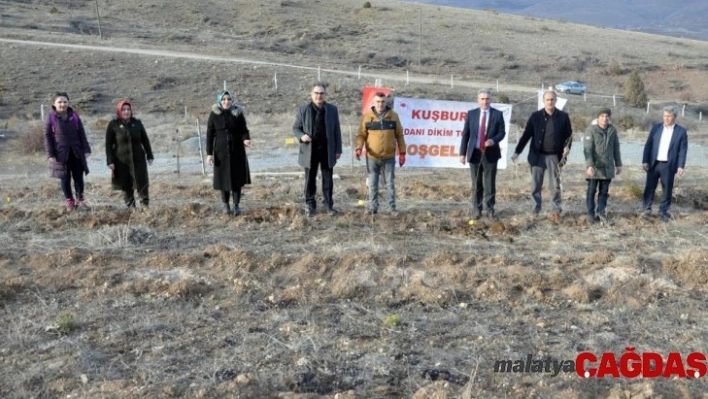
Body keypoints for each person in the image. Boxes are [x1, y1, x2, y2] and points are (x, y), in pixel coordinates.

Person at [511, 90, 573, 224]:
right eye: (547, 100)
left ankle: (556, 211)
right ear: (543, 101)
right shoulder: (535, 116)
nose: (550, 102)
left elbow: (569, 136)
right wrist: (517, 151)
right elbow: (526, 135)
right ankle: (535, 210)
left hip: (554, 157)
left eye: (552, 100)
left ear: (555, 101)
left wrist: (567, 147)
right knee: (536, 186)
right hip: (537, 156)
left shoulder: (563, 116)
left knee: (555, 185)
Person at [293, 82, 343, 217]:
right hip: (310, 151)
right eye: (316, 93)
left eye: (321, 93)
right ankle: (310, 205)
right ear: (311, 94)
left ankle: (328, 205)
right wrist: (301, 136)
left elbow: (336, 130)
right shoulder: (303, 109)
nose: (319, 96)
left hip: (327, 150)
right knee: (310, 180)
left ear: (325, 95)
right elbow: (296, 128)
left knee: (328, 180)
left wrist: (338, 149)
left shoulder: (332, 110)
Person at [355, 92, 406, 215]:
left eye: (382, 101)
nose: (380, 104)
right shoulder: (367, 117)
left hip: (389, 157)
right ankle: (373, 207)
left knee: (390, 183)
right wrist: (358, 148)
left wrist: (402, 152)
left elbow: (399, 135)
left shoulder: (394, 116)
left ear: (386, 102)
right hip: (372, 157)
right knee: (373, 184)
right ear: (374, 102)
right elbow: (361, 134)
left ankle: (392, 208)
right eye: (377, 101)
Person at [459, 89, 506, 220]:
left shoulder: (497, 114)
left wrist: (493, 140)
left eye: (487, 99)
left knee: (490, 183)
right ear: (478, 100)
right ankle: (477, 209)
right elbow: (466, 134)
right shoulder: (471, 114)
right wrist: (462, 153)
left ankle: (490, 210)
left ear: (491, 100)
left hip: (490, 154)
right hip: (474, 153)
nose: (485, 101)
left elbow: (502, 133)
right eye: (482, 99)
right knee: (476, 183)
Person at [206, 90, 252, 216]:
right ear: (220, 101)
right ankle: (226, 205)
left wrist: (246, 139)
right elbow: (210, 135)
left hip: (237, 150)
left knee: (237, 179)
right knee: (223, 179)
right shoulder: (214, 114)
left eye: (229, 99)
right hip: (220, 152)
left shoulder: (237, 113)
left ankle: (236, 206)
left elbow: (244, 130)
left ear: (232, 100)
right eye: (224, 99)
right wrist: (209, 154)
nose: (226, 102)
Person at [43, 92, 91, 212]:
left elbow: (81, 133)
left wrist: (86, 149)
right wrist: (50, 154)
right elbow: (47, 136)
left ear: (68, 103)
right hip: (61, 153)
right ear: (54, 104)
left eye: (65, 102)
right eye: (59, 102)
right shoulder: (51, 118)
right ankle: (69, 201)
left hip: (76, 151)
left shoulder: (74, 116)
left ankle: (81, 199)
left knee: (78, 177)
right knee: (65, 178)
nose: (62, 104)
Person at [641, 105, 688, 222]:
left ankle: (663, 212)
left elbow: (683, 150)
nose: (666, 118)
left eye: (669, 116)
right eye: (664, 116)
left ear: (674, 117)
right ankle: (647, 210)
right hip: (653, 163)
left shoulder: (681, 132)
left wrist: (681, 166)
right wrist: (645, 160)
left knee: (667, 189)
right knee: (649, 187)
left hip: (668, 165)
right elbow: (648, 145)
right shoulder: (656, 128)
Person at [105, 100, 154, 209]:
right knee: (126, 184)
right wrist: (110, 161)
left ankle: (145, 206)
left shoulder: (137, 123)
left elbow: (145, 140)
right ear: (119, 111)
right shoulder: (113, 124)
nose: (126, 112)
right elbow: (108, 144)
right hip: (121, 161)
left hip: (138, 159)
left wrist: (149, 155)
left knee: (142, 182)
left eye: (128, 109)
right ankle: (131, 207)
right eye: (123, 109)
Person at [583, 108, 622, 224]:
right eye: (602, 116)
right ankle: (590, 213)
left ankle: (601, 213)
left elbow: (616, 148)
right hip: (594, 167)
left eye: (607, 116)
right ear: (598, 118)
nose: (605, 118)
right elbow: (587, 149)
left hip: (607, 167)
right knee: (591, 191)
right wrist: (589, 165)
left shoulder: (612, 130)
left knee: (604, 192)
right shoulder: (591, 130)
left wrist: (618, 164)